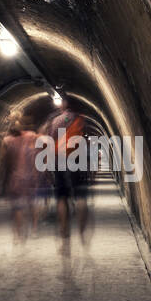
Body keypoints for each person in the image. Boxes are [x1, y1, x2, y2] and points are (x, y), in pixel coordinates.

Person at [41, 100, 90, 245]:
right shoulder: (80, 119)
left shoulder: (55, 120)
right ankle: (81, 233)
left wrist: (46, 163)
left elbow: (49, 141)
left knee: (62, 197)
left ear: (63, 106)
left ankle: (64, 233)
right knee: (80, 195)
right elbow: (84, 140)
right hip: (77, 158)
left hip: (58, 158)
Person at [0, 115, 38, 240]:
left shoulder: (7, 140)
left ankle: (18, 233)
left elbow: (2, 160)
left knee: (17, 207)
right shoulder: (31, 136)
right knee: (32, 203)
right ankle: (34, 229)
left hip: (15, 177)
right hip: (30, 175)